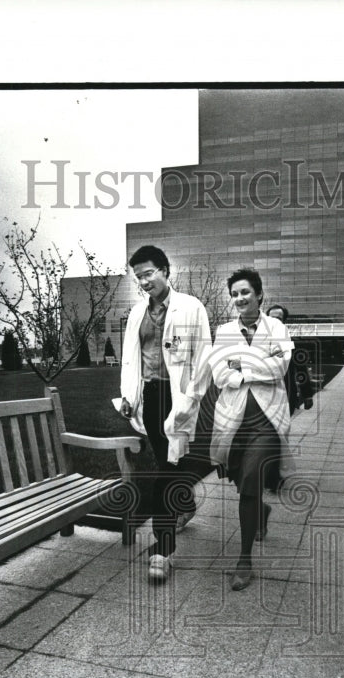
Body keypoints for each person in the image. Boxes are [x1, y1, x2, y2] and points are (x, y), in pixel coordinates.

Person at [185, 268, 294, 591]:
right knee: (238, 476)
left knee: (248, 480)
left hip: (267, 419)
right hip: (233, 418)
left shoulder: (277, 327)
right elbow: (219, 374)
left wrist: (240, 366)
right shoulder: (224, 332)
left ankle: (244, 559)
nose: (239, 299)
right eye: (234, 294)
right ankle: (260, 512)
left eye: (245, 292)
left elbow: (280, 368)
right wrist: (253, 366)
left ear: (259, 295)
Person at [119, 245, 211, 583]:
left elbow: (203, 360)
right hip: (151, 397)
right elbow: (131, 359)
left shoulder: (191, 307)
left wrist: (189, 401)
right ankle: (184, 504)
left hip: (179, 398)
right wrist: (128, 396)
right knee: (169, 465)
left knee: (166, 471)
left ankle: (163, 548)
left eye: (148, 274)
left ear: (165, 271)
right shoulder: (136, 314)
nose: (143, 281)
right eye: (138, 276)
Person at [266, 304, 313, 415]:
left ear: (283, 322)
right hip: (263, 396)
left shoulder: (292, 344)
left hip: (286, 396)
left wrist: (307, 395)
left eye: (278, 319)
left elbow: (301, 370)